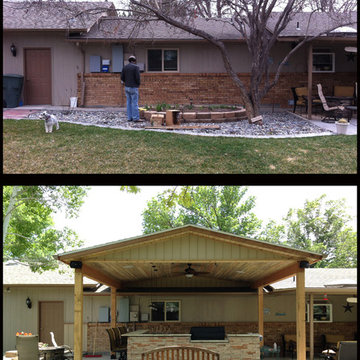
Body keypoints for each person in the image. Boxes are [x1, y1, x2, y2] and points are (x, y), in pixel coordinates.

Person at [121, 55, 140, 122]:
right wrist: (138, 84)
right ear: (134, 61)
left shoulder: (125, 67)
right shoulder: (136, 67)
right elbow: (137, 78)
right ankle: (135, 118)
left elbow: (122, 78)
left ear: (129, 60)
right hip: (133, 87)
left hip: (127, 87)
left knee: (128, 102)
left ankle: (129, 118)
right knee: (134, 102)